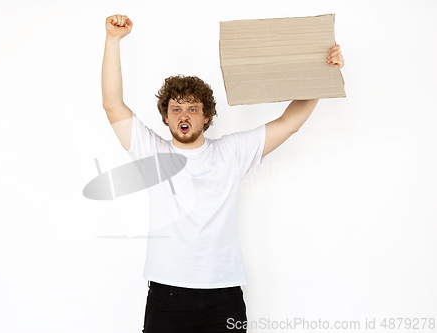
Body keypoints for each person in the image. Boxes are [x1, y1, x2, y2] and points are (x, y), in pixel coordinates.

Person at [101, 14, 344, 333]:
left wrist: (322, 73)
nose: (183, 115)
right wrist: (113, 40)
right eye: (176, 109)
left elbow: (289, 123)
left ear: (206, 118)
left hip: (225, 297)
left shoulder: (232, 152)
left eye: (192, 108)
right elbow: (112, 104)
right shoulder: (152, 152)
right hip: (167, 296)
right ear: (166, 118)